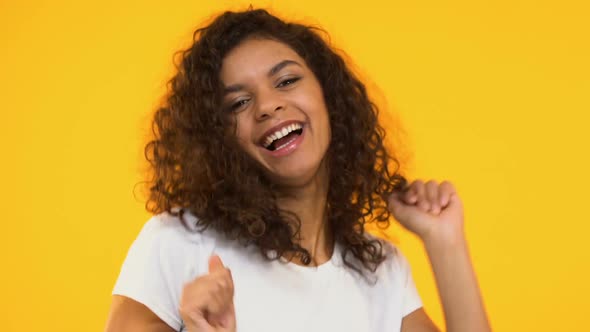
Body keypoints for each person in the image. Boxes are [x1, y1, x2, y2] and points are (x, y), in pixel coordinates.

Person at [105, 8, 490, 332]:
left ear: (329, 97)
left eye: (287, 81)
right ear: (217, 138)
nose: (268, 106)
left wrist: (445, 242)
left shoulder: (380, 268)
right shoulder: (179, 242)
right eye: (238, 103)